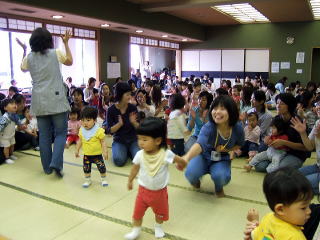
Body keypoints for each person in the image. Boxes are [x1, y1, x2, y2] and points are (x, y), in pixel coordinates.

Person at [18, 28, 73, 177]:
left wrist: (23, 51)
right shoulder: (55, 53)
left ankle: (47, 168)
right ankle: (56, 162)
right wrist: (66, 43)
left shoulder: (29, 57)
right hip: (56, 99)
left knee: (44, 136)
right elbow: (70, 61)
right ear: (49, 40)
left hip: (39, 100)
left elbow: (22, 69)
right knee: (61, 133)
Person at [125, 117, 187, 240]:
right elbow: (134, 168)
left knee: (160, 213)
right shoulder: (139, 154)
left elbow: (179, 159)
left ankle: (158, 227)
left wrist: (183, 164)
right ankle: (136, 230)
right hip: (143, 192)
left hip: (159, 193)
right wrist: (130, 180)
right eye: (139, 139)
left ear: (158, 140)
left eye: (144, 139)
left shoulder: (165, 154)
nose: (140, 142)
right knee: (137, 213)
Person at [183, 95, 245, 197]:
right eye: (215, 108)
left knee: (220, 176)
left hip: (221, 158)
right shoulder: (209, 127)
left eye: (222, 109)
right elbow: (199, 144)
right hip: (204, 156)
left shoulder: (237, 128)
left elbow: (240, 144)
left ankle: (218, 187)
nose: (217, 112)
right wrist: (186, 157)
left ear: (231, 111)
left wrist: (229, 150)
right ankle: (195, 180)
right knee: (190, 173)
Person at [245, 167, 313, 240]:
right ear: (280, 209)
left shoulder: (268, 218)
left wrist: (254, 221)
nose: (309, 211)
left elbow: (256, 235)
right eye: (303, 208)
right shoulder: (295, 237)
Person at [254, 93, 310, 172]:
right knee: (259, 166)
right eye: (277, 103)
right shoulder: (277, 119)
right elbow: (271, 135)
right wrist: (268, 140)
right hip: (277, 151)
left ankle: (283, 164)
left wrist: (284, 142)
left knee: (279, 170)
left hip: (295, 154)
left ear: (289, 106)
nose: (278, 106)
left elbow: (304, 147)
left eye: (282, 104)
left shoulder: (298, 122)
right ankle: (276, 163)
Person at [105, 82, 140, 167]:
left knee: (139, 161)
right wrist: (119, 124)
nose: (130, 97)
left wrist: (134, 122)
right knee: (119, 161)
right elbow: (109, 131)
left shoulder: (132, 108)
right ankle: (124, 150)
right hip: (119, 140)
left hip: (133, 140)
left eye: (130, 94)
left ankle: (129, 151)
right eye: (127, 95)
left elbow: (139, 128)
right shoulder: (111, 110)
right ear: (120, 95)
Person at [290, 100, 320, 194]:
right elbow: (310, 147)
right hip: (318, 166)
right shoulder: (318, 123)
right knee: (291, 177)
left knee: (298, 186)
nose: (318, 107)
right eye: (318, 105)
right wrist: (302, 133)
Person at [75, 107, 108, 188]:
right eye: (83, 120)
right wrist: (77, 150)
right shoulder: (82, 130)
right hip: (87, 155)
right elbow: (80, 140)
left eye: (88, 120)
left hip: (97, 154)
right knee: (86, 168)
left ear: (95, 120)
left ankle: (103, 179)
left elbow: (103, 141)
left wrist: (105, 151)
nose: (85, 123)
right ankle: (88, 180)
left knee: (101, 167)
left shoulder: (98, 130)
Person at [0, 99, 25, 164]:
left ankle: (11, 155)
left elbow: (19, 124)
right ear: (5, 108)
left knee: (12, 145)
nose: (14, 105)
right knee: (7, 147)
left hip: (11, 135)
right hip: (4, 136)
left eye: (14, 103)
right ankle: (7, 158)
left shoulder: (15, 116)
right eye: (11, 104)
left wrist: (22, 126)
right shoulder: (4, 117)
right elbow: (0, 127)